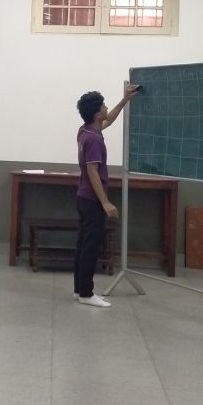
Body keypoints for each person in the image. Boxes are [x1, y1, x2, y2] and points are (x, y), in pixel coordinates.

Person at [73, 86, 139, 307]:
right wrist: (105, 202)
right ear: (96, 113)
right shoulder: (94, 140)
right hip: (92, 200)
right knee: (90, 247)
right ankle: (86, 294)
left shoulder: (86, 130)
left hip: (83, 197)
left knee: (83, 245)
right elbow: (92, 171)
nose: (106, 107)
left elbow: (108, 120)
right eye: (103, 106)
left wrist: (125, 100)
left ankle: (79, 290)